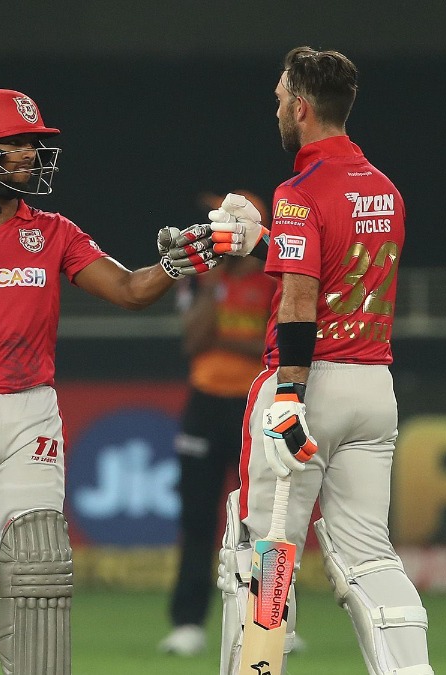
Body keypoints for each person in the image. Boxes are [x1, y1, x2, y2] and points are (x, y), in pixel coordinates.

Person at [0, 88, 221, 675]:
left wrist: (173, 265)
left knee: (40, 571)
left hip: (31, 414)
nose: (31, 154)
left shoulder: (55, 231)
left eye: (34, 144)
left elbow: (130, 290)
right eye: (17, 143)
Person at [207, 47, 436, 674]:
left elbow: (302, 297)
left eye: (282, 99)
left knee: (262, 555)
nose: (277, 109)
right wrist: (260, 241)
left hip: (309, 387)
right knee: (368, 555)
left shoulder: (299, 191)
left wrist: (289, 395)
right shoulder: (384, 189)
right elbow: (339, 266)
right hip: (374, 388)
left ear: (302, 108)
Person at [158, 193, 276, 658]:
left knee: (265, 519)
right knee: (197, 518)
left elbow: (270, 346)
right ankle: (188, 623)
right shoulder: (200, 279)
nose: (218, 237)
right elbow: (193, 341)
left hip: (256, 405)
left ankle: (270, 618)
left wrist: (226, 339)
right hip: (205, 405)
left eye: (228, 228)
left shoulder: (274, 277)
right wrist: (212, 283)